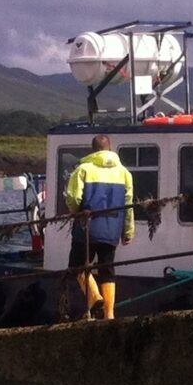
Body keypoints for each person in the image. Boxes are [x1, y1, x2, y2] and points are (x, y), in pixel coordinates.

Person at [65, 134, 135, 319]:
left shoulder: (83, 170)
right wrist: (128, 231)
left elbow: (73, 198)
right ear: (110, 149)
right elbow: (128, 205)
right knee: (107, 271)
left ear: (94, 150)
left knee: (77, 266)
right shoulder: (124, 173)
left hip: (87, 226)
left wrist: (76, 212)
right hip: (112, 228)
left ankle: (94, 298)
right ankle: (109, 315)